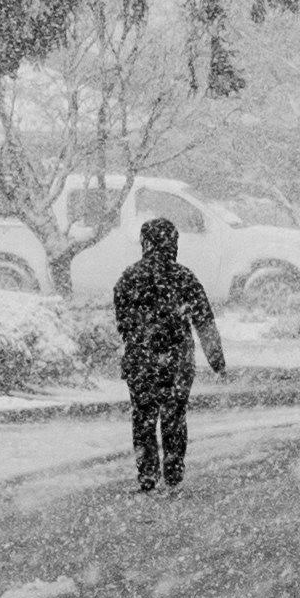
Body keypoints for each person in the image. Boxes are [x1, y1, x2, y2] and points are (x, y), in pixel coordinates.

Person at [110, 209, 225, 496]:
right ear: (173, 244)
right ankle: (173, 472)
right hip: (177, 361)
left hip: (141, 361)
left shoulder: (128, 278)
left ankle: (147, 474)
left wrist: (141, 340)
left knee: (143, 418)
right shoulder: (184, 278)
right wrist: (217, 361)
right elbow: (204, 321)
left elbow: (123, 322)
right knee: (174, 415)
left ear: (145, 243)